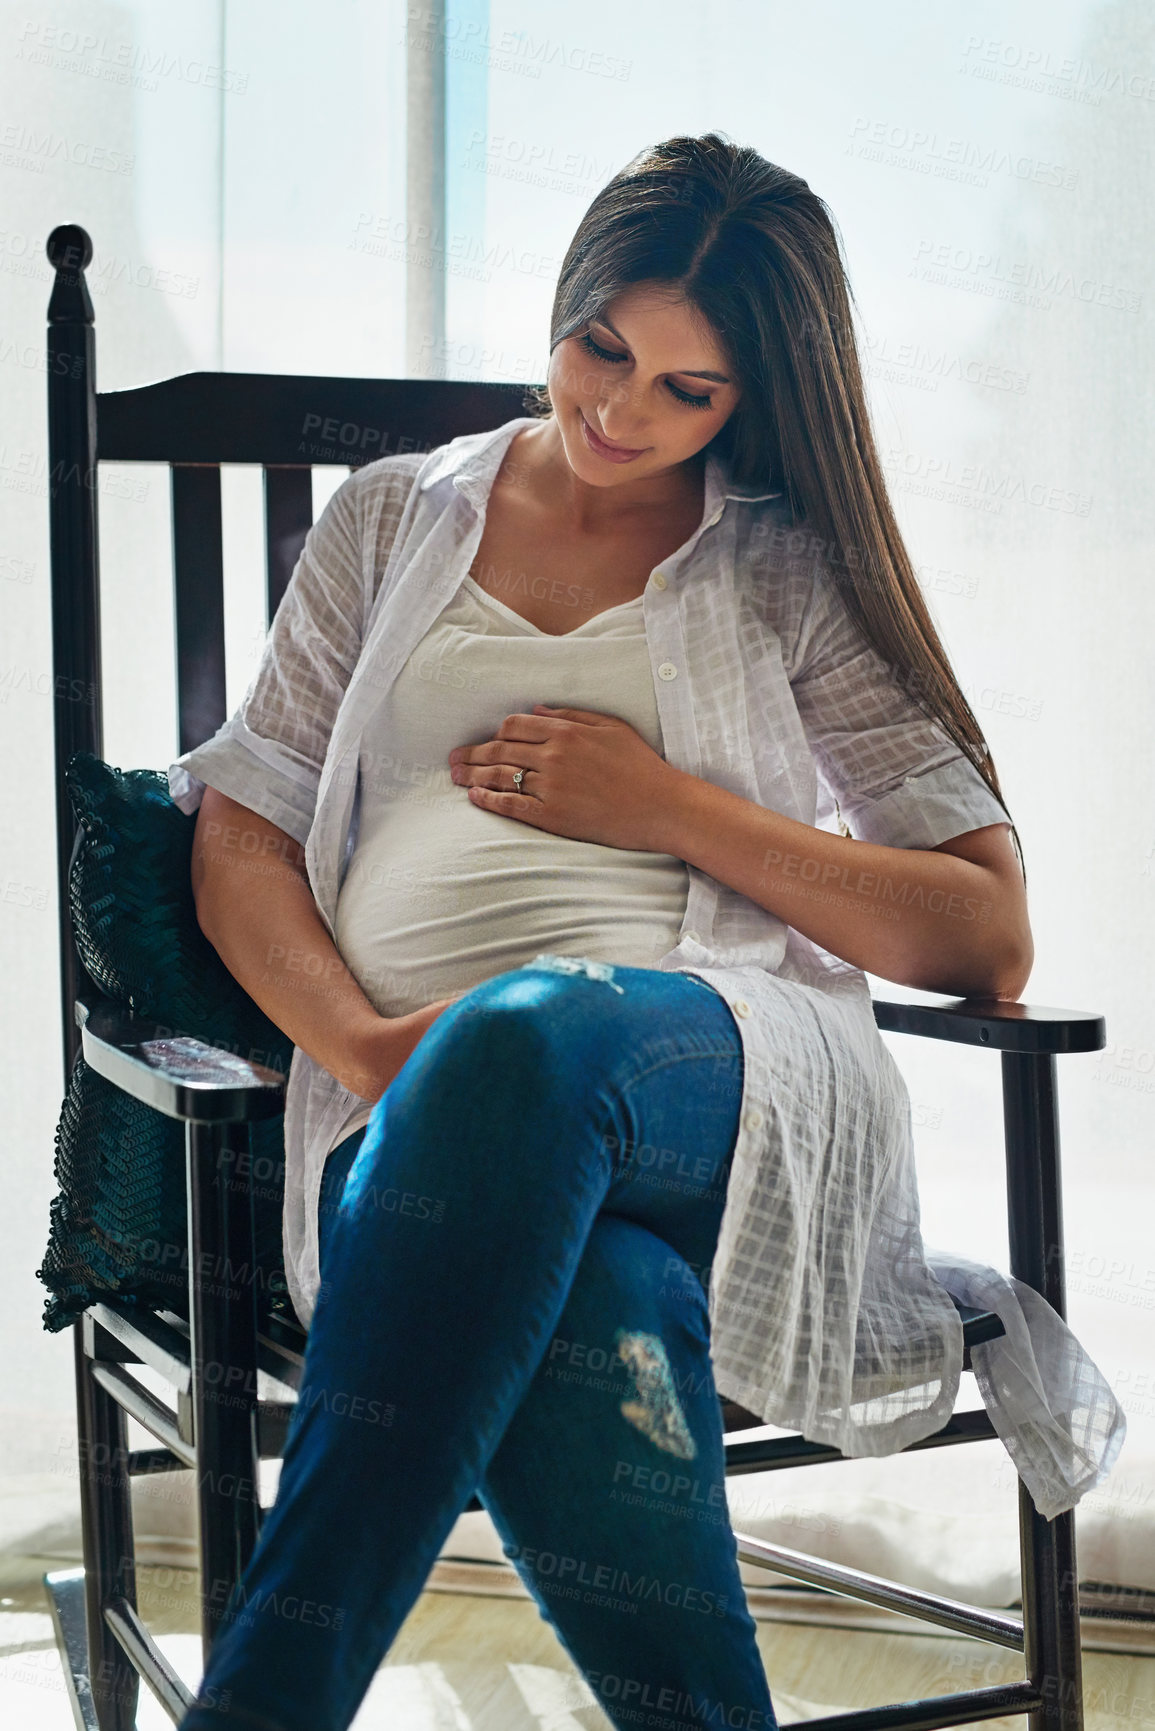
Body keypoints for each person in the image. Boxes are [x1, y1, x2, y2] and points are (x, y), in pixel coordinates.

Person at [170, 133, 1117, 1731]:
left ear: (756, 402)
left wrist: (664, 803)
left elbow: (984, 932)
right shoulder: (391, 519)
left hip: (721, 1076)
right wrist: (371, 1047)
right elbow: (244, 829)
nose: (619, 411)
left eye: (690, 390)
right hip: (410, 1121)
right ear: (566, 295)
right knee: (590, 1299)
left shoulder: (790, 567)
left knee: (536, 1033)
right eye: (603, 347)